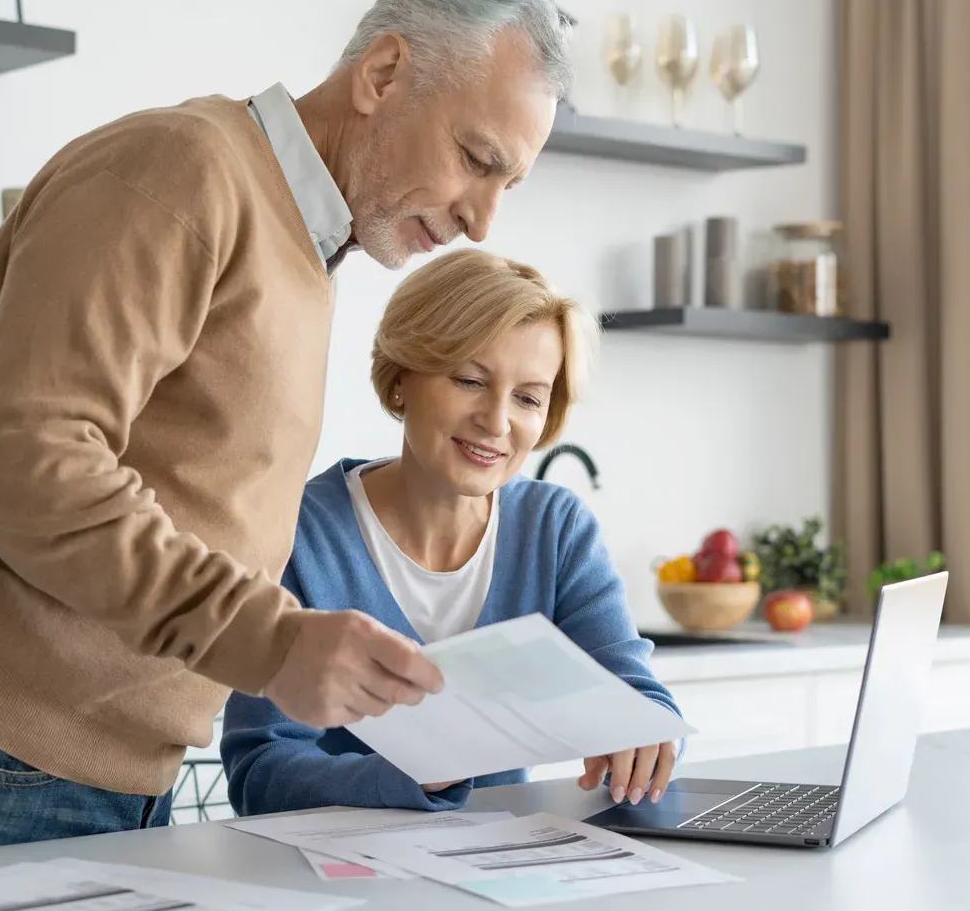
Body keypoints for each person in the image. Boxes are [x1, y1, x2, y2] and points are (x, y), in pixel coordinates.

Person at [0, 0, 573, 863]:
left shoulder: (307, 247)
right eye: (476, 160)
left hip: (117, 775)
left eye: (510, 185)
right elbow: (27, 459)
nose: (485, 220)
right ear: (383, 74)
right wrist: (270, 639)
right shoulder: (180, 171)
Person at [220, 249, 681, 816]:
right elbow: (259, 772)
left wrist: (646, 734)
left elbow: (636, 692)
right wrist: (409, 777)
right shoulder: (298, 530)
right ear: (401, 381)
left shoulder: (555, 530)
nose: (496, 421)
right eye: (468, 379)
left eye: (529, 398)